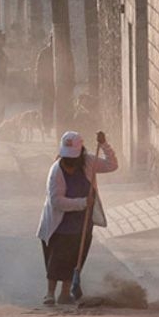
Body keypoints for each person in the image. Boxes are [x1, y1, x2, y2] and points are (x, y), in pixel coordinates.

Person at [35, 130, 117, 305]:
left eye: (73, 158)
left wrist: (104, 145)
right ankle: (50, 293)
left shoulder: (88, 162)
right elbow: (56, 201)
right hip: (59, 223)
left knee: (74, 258)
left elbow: (112, 165)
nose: (70, 162)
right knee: (56, 258)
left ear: (81, 153)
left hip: (82, 222)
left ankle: (65, 293)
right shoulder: (56, 170)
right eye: (67, 158)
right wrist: (81, 203)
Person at [34, 33, 55, 137]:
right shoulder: (44, 53)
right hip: (48, 84)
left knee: (62, 106)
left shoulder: (60, 51)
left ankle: (62, 126)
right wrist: (39, 82)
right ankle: (47, 128)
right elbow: (39, 68)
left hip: (59, 83)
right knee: (47, 107)